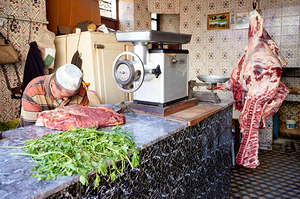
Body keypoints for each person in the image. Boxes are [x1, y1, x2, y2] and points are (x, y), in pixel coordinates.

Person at [18, 63, 89, 127]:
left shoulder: (81, 92)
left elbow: (85, 121)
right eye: (63, 95)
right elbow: (30, 129)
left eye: (70, 96)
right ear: (53, 83)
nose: (66, 99)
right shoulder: (33, 92)